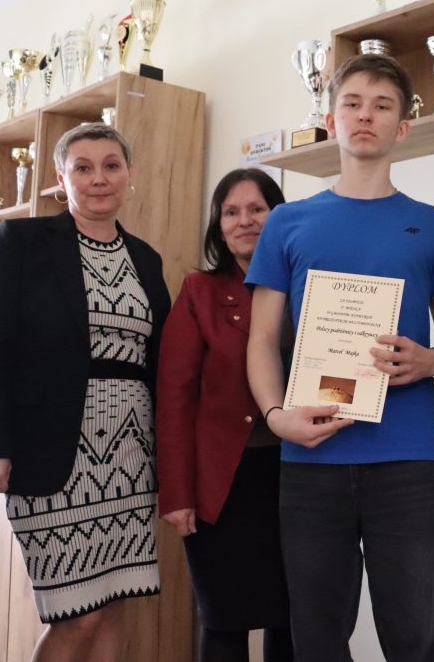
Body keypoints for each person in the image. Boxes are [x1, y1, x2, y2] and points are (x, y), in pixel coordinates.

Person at [246, 53, 434, 662]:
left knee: (415, 640)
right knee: (317, 641)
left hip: (407, 461)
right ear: (331, 120)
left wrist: (432, 361)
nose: (365, 115)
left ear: (403, 127)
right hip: (311, 457)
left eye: (382, 106)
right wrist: (275, 417)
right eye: (352, 103)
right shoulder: (287, 222)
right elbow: (261, 339)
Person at [0, 122, 171, 662]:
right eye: (83, 167)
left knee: (114, 603)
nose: (99, 178)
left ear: (129, 175)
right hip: (52, 457)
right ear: (62, 179)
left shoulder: (146, 259)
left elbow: (160, 363)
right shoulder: (22, 242)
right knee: (76, 613)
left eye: (111, 165)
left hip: (131, 461)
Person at [156, 168, 293, 662]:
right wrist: (177, 493)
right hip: (222, 485)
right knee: (224, 623)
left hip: (301, 479)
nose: (244, 221)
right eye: (231, 212)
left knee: (294, 621)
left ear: (280, 216)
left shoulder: (312, 286)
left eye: (257, 209)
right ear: (218, 224)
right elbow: (174, 397)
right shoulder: (199, 291)